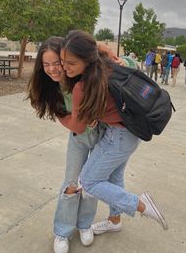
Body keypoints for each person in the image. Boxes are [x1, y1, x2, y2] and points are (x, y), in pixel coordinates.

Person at [58, 30, 168, 236]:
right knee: (114, 178)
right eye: (63, 61)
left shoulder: (82, 87)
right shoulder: (109, 64)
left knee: (89, 182)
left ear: (87, 60)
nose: (65, 67)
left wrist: (60, 116)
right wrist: (102, 47)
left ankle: (140, 204)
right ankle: (114, 220)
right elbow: (97, 47)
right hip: (131, 133)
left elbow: (78, 127)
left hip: (118, 138)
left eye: (71, 63)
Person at [27, 37, 124, 253]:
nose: (53, 69)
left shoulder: (78, 75)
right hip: (78, 137)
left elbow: (89, 46)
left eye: (57, 63)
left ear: (66, 59)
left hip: (102, 134)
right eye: (46, 64)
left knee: (90, 184)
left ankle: (84, 224)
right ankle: (63, 231)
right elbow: (65, 118)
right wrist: (74, 121)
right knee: (71, 183)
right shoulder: (49, 87)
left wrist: (108, 50)